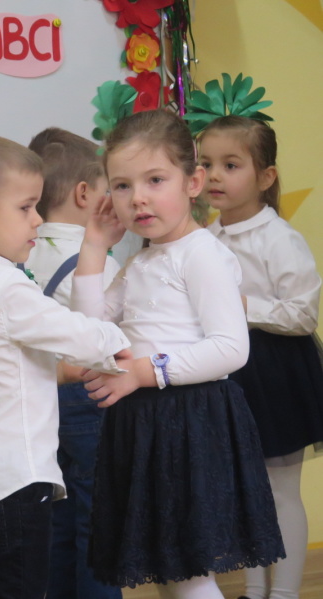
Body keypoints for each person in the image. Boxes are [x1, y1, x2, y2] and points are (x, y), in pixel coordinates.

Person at [71, 109, 285, 598]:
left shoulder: (201, 253)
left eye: (155, 179)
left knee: (189, 574)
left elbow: (231, 348)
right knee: (171, 570)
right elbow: (87, 334)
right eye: (121, 185)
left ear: (193, 183)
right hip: (143, 423)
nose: (137, 198)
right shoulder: (141, 262)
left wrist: (143, 372)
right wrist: (94, 247)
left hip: (189, 421)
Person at [0, 133, 131, 599]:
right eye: (26, 208)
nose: (38, 219)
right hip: (14, 479)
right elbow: (80, 333)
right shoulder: (4, 285)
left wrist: (64, 371)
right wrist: (128, 344)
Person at [199, 115, 323, 599]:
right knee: (241, 487)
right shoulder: (206, 237)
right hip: (226, 370)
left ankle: (284, 593)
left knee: (279, 490)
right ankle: (254, 589)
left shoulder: (279, 238)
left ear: (265, 176)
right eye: (206, 163)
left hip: (275, 371)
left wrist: (241, 306)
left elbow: (303, 315)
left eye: (230, 165)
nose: (214, 175)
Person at [24, 128, 122, 599]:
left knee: (58, 520)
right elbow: (119, 335)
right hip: (89, 400)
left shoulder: (24, 255)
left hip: (45, 400)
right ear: (85, 194)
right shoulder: (97, 261)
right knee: (100, 524)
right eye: (110, 189)